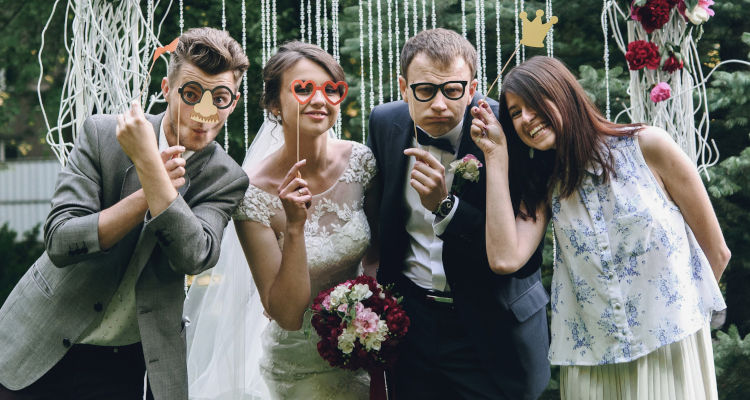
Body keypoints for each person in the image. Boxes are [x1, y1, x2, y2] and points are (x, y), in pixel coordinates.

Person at [0, 27, 250, 400]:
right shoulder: (102, 134)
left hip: (126, 361)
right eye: (192, 94)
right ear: (166, 89)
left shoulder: (227, 178)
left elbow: (194, 254)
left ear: (234, 102)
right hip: (41, 340)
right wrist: (152, 174)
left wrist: (150, 170)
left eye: (220, 97)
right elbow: (61, 240)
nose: (204, 112)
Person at [470, 55, 729, 400]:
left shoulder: (648, 146)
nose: (527, 118)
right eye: (516, 112)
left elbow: (717, 252)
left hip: (669, 352)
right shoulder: (545, 187)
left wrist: (679, 322)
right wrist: (496, 156)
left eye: (534, 103)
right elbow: (504, 258)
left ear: (564, 94)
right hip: (592, 367)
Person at [184, 41, 377, 399]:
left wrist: (376, 320)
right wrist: (294, 228)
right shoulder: (252, 194)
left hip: (368, 350)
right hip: (299, 365)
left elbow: (380, 255)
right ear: (274, 104)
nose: (320, 100)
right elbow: (286, 314)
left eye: (331, 89)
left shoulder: (362, 162)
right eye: (303, 89)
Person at [367, 28, 550, 400]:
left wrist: (446, 206)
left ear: (472, 88)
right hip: (411, 325)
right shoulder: (384, 122)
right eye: (425, 90)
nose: (438, 104)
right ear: (403, 87)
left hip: (492, 329)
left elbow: (519, 251)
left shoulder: (511, 129)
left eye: (452, 90)